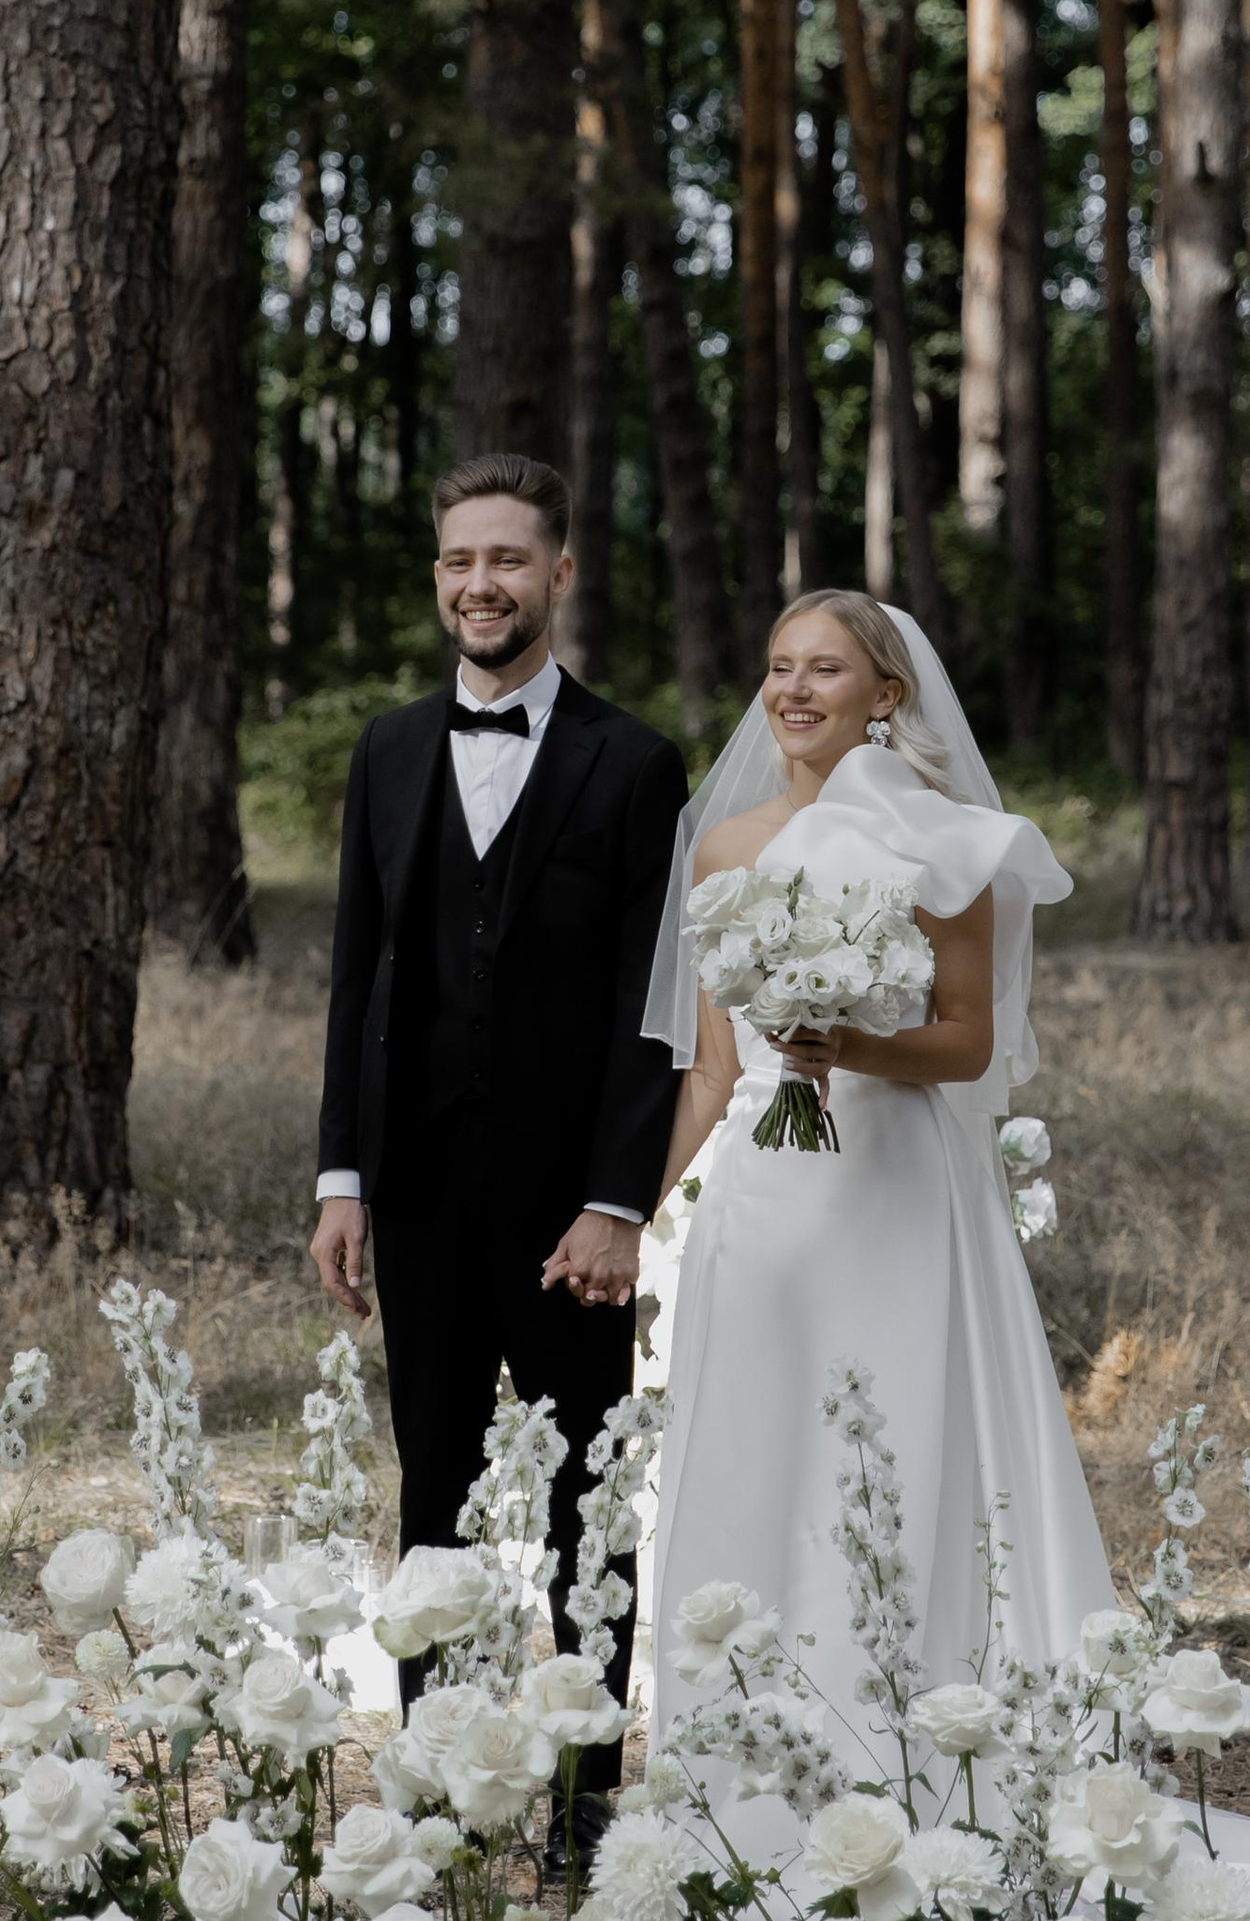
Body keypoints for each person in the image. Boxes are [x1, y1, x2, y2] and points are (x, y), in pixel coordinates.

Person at [644, 590, 1115, 1796]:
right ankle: (742, 1754)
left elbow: (963, 1045)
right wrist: (629, 1211)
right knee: (754, 1446)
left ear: (886, 696)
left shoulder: (943, 839)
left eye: (825, 670)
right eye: (777, 667)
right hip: (761, 1194)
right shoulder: (725, 845)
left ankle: (899, 1742)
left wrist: (844, 1046)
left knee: (892, 1450)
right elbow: (709, 1069)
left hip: (892, 1183)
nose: (792, 691)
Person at [311, 454, 688, 1794]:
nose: (484, 583)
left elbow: (661, 1002)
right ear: (439, 577)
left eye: (510, 560)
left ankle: (589, 1808)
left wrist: (619, 1201)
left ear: (559, 575)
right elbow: (363, 973)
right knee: (436, 1494)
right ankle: (437, 1788)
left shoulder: (637, 765)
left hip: (568, 1211)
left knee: (592, 1500)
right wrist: (342, 1175)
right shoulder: (392, 746)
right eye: (462, 561)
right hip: (412, 1193)